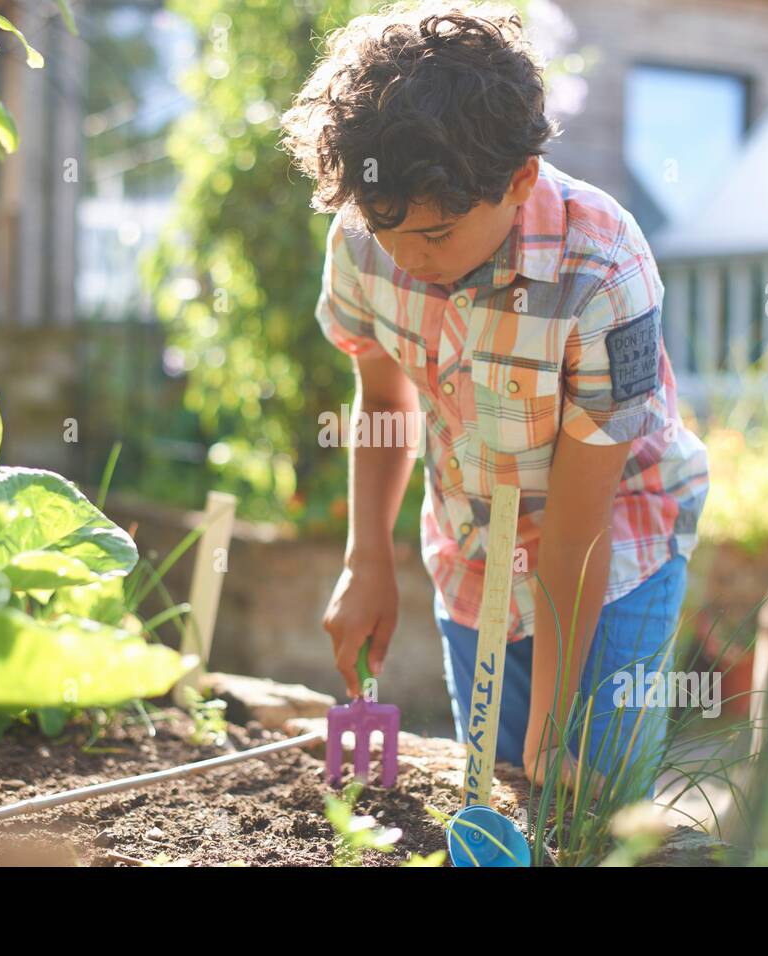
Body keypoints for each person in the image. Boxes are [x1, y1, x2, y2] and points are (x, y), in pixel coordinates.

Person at [280, 0, 709, 799]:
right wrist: (367, 557)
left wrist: (553, 726)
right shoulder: (364, 238)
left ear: (518, 180)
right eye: (387, 229)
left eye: (436, 237)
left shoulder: (604, 275)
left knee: (587, 802)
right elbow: (381, 396)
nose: (408, 258)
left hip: (611, 552)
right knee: (490, 794)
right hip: (473, 544)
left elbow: (578, 530)